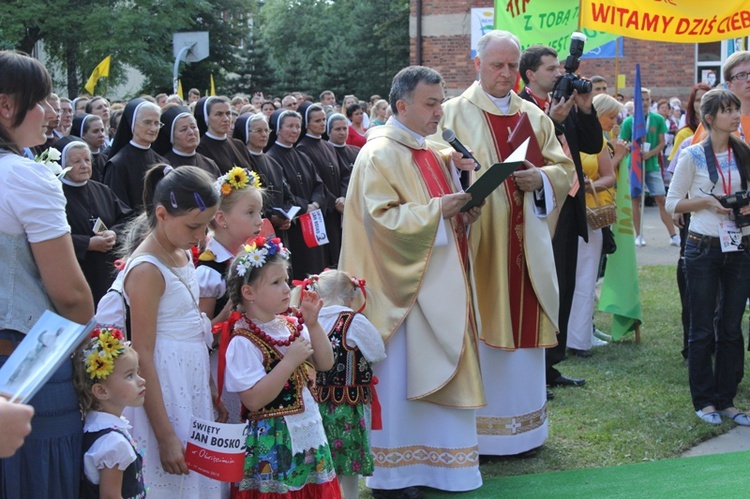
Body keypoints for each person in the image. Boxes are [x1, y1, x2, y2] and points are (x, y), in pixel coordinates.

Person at [340, 65, 485, 497]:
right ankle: (397, 474)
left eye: (441, 101)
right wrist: (440, 210)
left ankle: (441, 467)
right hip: (399, 292)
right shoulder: (380, 153)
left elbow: (440, 202)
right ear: (402, 106)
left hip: (436, 283)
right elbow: (380, 222)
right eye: (431, 103)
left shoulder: (428, 148)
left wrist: (462, 194)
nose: (440, 111)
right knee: (403, 381)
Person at [437, 30, 575, 456]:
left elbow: (563, 166)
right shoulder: (451, 113)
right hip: (476, 241)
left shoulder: (533, 115)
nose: (505, 73)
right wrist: (453, 166)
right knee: (479, 322)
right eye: (496, 65)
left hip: (526, 244)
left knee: (525, 322)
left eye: (512, 65)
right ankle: (483, 432)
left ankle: (526, 432)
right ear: (477, 64)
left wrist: (543, 179)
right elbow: (429, 161)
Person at [0, 50, 94, 498]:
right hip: (22, 361)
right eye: (40, 100)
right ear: (6, 106)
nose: (50, 112)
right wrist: (91, 356)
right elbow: (71, 294)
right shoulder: (23, 176)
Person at [121, 165, 223, 497]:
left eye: (206, 224)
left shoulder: (179, 251)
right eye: (194, 226)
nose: (201, 235)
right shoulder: (148, 269)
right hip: (164, 384)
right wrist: (165, 436)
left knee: (193, 477)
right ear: (162, 214)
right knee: (170, 476)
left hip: (189, 377)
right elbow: (143, 354)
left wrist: (207, 382)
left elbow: (192, 322)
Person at [222, 237, 340, 498]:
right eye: (276, 282)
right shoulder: (243, 340)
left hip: (306, 429)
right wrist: (288, 362)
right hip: (273, 441)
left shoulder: (289, 324)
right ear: (248, 293)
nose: (287, 288)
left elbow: (325, 363)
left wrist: (313, 324)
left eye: (286, 280)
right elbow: (253, 399)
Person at [665, 89, 750, 426]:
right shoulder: (692, 155)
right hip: (702, 246)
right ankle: (704, 401)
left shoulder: (743, 152)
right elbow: (673, 203)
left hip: (740, 246)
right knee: (701, 328)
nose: (734, 115)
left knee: (730, 326)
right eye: (728, 110)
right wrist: (704, 202)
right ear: (710, 117)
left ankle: (726, 399)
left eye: (736, 109)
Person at [518, 45, 604, 375]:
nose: (559, 74)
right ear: (531, 74)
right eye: (552, 69)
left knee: (564, 282)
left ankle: (553, 364)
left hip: (569, 203)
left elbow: (593, 145)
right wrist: (551, 122)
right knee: (544, 283)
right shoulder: (520, 107)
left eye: (559, 68)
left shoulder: (566, 100)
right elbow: (527, 153)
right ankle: (536, 366)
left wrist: (584, 109)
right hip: (540, 206)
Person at [305, 270, 386, 499]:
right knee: (349, 465)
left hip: (314, 404)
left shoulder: (310, 321)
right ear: (350, 296)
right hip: (348, 406)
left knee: (322, 463)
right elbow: (377, 352)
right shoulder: (353, 321)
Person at [197, 167, 264, 423]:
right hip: (221, 368)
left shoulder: (248, 258)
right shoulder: (210, 271)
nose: (259, 220)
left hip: (247, 360)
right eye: (250, 213)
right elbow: (200, 335)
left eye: (259, 212)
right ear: (222, 219)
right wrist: (227, 316)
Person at [566, 99, 617, 355]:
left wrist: (591, 185)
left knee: (585, 279)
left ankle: (578, 339)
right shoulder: (556, 133)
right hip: (561, 215)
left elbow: (610, 176)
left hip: (589, 216)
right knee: (560, 278)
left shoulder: (597, 141)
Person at [55, 137, 132, 303]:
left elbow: (127, 219)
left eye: (87, 160)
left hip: (106, 273)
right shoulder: (54, 195)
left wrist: (114, 233)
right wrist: (87, 244)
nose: (84, 165)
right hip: (75, 272)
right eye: (76, 161)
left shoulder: (102, 190)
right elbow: (50, 237)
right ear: (62, 164)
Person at [73, 327, 147, 498]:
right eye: (129, 376)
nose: (141, 381)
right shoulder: (113, 443)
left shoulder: (96, 428)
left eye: (138, 373)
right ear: (101, 391)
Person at [668, 83, 711, 362]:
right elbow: (675, 184)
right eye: (700, 102)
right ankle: (691, 343)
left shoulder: (736, 145)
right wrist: (679, 208)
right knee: (691, 280)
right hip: (692, 222)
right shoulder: (688, 141)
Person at [266, 109, 331, 280]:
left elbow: (318, 184)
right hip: (293, 226)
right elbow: (283, 194)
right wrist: (305, 207)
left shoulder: (302, 156)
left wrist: (315, 204)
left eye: (297, 126)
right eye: (290, 126)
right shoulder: (271, 158)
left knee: (316, 270)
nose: (295, 130)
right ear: (278, 130)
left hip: (311, 222)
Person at [619, 87, 678, 247]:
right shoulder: (628, 122)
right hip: (634, 166)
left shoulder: (657, 119)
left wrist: (650, 153)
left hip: (651, 165)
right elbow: (622, 143)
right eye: (641, 99)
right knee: (635, 199)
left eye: (647, 99)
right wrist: (634, 148)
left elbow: (661, 143)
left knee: (661, 198)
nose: (644, 103)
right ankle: (638, 235)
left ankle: (673, 235)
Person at [297, 102, 345, 265]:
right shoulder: (303, 148)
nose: (322, 124)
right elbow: (316, 180)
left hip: (337, 208)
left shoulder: (328, 146)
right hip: (323, 210)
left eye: (323, 120)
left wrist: (342, 198)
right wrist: (333, 201)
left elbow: (339, 176)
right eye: (317, 121)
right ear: (307, 124)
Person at [233, 113, 295, 240]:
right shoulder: (241, 162)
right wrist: (271, 216)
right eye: (258, 131)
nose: (264, 134)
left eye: (267, 130)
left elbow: (287, 195)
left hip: (280, 230)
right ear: (246, 133)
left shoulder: (273, 163)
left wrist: (287, 216)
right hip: (254, 229)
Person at [103, 98, 168, 211]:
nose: (153, 128)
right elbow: (118, 209)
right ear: (132, 123)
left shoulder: (162, 162)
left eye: (157, 123)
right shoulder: (118, 165)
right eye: (147, 122)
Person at [154, 105, 221, 177]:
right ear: (172, 136)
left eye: (193, 127)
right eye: (183, 129)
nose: (191, 132)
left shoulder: (210, 164)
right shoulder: (164, 167)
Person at [194, 96, 252, 174]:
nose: (226, 119)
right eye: (219, 114)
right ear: (206, 118)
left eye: (228, 113)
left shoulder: (239, 145)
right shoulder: (200, 148)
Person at [71, 113, 108, 182]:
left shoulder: (106, 159)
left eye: (102, 130)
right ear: (83, 135)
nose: (101, 135)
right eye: (95, 131)